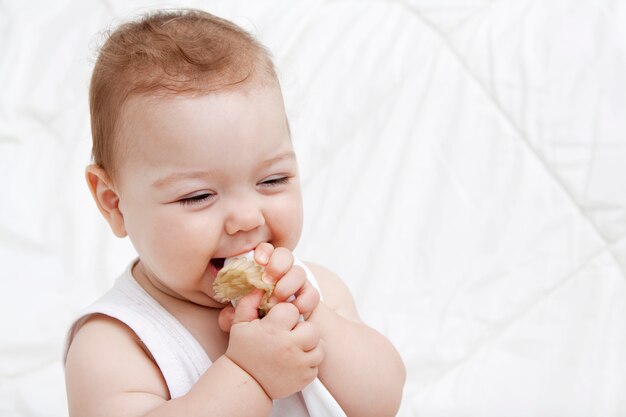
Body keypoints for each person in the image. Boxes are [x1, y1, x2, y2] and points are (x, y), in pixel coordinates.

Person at [64, 8, 406, 417]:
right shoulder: (116, 344)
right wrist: (249, 375)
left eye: (272, 180)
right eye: (198, 196)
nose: (247, 218)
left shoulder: (317, 292)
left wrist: (315, 321)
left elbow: (382, 403)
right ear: (114, 203)